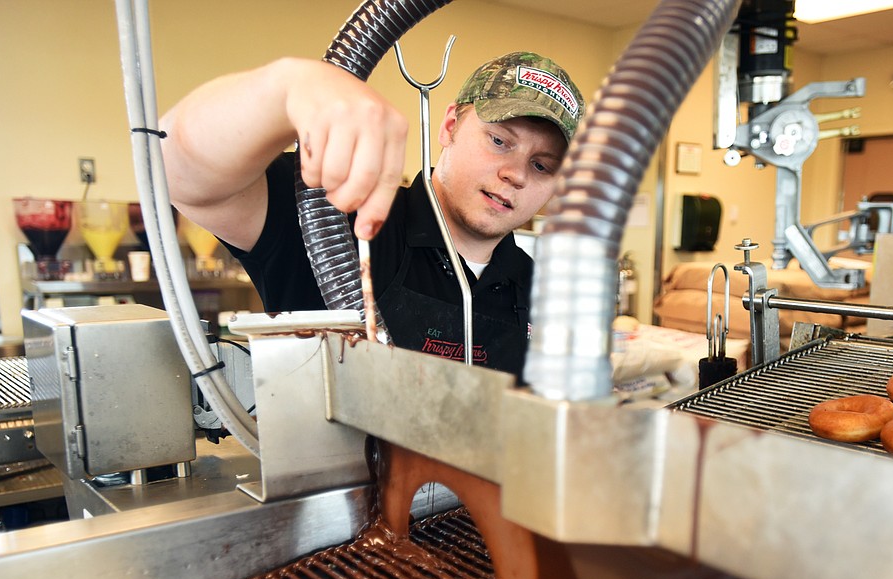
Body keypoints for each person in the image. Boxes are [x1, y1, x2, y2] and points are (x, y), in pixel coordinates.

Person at [162, 52, 585, 377]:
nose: (514, 174)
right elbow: (173, 170)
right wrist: (286, 87)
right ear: (450, 125)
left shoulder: (543, 290)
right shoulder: (335, 217)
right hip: (339, 492)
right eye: (498, 140)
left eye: (542, 165)